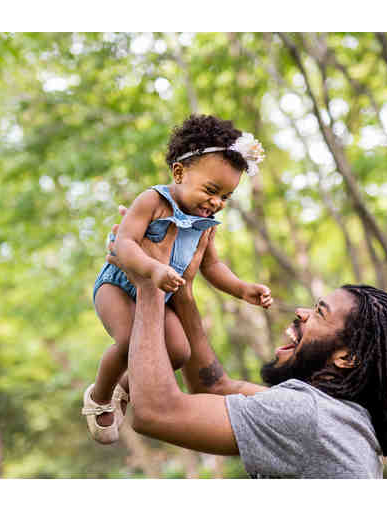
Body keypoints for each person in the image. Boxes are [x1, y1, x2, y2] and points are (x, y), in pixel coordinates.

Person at [108, 216, 387, 478]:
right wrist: (184, 290)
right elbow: (215, 386)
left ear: (346, 357)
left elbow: (154, 413)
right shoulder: (334, 417)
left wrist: (149, 285)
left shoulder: (310, 418)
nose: (302, 312)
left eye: (320, 313)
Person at [83, 114, 273, 444]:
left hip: (163, 294)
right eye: (212, 190)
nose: (216, 203)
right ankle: (100, 395)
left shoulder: (205, 222)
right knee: (130, 340)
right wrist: (153, 269)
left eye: (226, 197)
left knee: (178, 351)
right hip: (118, 285)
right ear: (180, 172)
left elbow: (212, 268)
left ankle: (125, 389)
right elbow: (123, 244)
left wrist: (243, 289)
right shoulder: (154, 201)